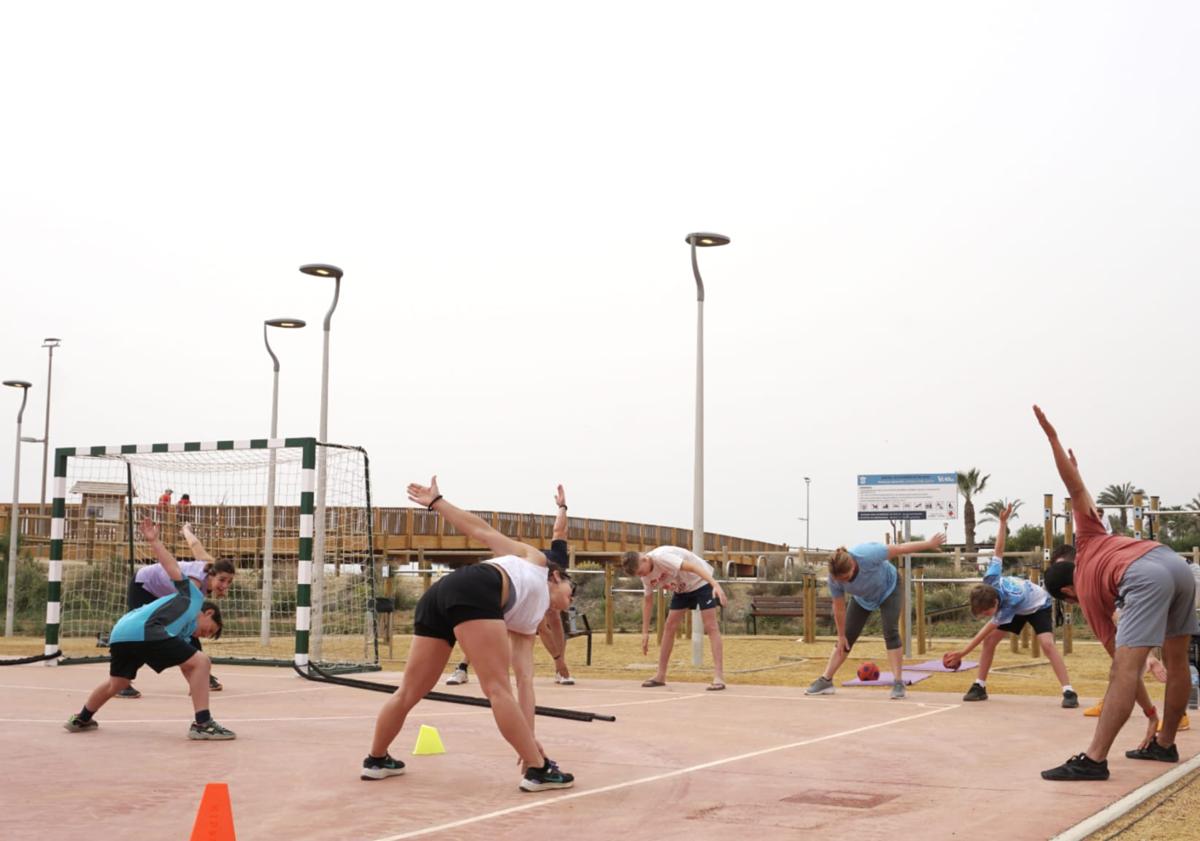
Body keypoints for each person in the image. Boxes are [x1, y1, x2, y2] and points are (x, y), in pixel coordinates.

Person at [362, 476, 576, 792]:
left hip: (442, 593)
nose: (570, 601)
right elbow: (481, 531)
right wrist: (437, 503)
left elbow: (526, 682)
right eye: (572, 593)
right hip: (477, 587)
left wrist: (528, 743)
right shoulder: (537, 560)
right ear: (558, 577)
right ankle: (539, 771)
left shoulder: (530, 619)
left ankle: (376, 760)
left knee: (410, 690)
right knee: (496, 689)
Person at [1034, 405, 1198, 781]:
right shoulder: (1092, 536)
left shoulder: (1088, 596)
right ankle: (1165, 743)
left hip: (1143, 575)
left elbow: (1128, 673)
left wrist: (1150, 713)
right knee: (1176, 661)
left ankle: (1093, 759)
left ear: (1067, 592)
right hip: (1173, 562)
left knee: (1121, 669)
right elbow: (1076, 489)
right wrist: (1056, 442)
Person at [64, 518, 234, 740]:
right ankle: (203, 724)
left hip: (121, 632)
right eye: (208, 631)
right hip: (144, 627)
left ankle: (81, 718)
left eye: (229, 583)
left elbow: (187, 665)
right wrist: (154, 541)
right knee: (202, 661)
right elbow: (170, 565)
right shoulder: (190, 591)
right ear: (208, 613)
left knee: (119, 683)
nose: (204, 635)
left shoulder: (181, 623)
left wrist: (196, 683)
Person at [944, 503, 1077, 707]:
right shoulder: (990, 578)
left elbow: (986, 629)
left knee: (1047, 645)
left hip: (1038, 604)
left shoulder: (1009, 602)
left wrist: (962, 653)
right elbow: (998, 550)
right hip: (1018, 606)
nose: (987, 616)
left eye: (988, 612)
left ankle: (1069, 692)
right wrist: (1002, 522)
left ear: (996, 603)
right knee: (990, 643)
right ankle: (979, 686)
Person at [447, 484, 576, 686]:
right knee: (493, 624)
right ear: (557, 578)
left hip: (521, 583)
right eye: (569, 596)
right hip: (513, 586)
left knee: (554, 619)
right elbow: (541, 628)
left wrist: (562, 507)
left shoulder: (558, 560)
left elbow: (560, 529)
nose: (568, 601)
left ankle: (559, 668)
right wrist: (560, 662)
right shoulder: (534, 575)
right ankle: (462, 666)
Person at [805, 532, 947, 700]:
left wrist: (929, 544)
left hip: (889, 589)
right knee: (846, 639)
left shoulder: (869, 554)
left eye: (846, 578)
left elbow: (901, 548)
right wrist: (841, 635)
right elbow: (839, 608)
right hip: (863, 599)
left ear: (852, 564)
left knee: (890, 631)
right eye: (840, 580)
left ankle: (898, 682)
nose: (843, 582)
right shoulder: (834, 579)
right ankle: (826, 680)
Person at [116, 521, 235, 699]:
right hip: (144, 586)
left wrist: (186, 530)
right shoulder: (195, 583)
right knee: (141, 636)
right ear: (212, 575)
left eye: (229, 582)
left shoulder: (208, 563)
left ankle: (201, 675)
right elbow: (186, 616)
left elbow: (195, 545)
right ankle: (121, 682)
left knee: (190, 631)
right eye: (222, 580)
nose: (225, 585)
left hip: (162, 593)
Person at [621, 545, 728, 690]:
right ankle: (660, 675)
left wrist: (715, 585)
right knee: (669, 627)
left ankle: (718, 677)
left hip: (701, 582)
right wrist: (645, 632)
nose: (642, 576)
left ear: (644, 559)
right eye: (638, 574)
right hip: (682, 589)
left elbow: (694, 568)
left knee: (711, 626)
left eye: (641, 571)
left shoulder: (663, 557)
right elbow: (648, 601)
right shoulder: (644, 576)